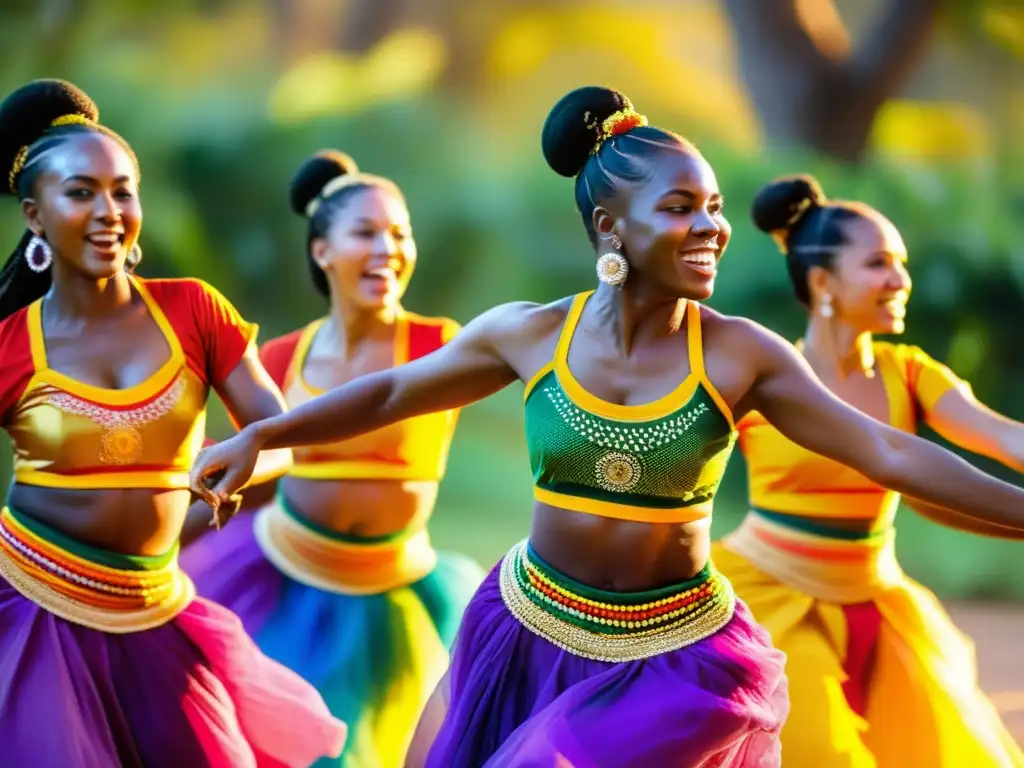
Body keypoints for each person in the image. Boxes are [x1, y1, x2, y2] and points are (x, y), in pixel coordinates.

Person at [190, 86, 1024, 768]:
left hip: (674, 657)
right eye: (681, 207)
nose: (712, 228)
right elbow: (387, 394)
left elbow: (885, 448)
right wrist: (262, 435)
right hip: (527, 626)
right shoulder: (529, 333)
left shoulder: (741, 356)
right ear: (609, 229)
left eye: (715, 207)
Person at [0, 79, 346, 766]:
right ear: (35, 217)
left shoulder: (192, 310)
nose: (108, 211)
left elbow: (279, 442)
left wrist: (233, 469)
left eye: (122, 190)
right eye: (81, 193)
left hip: (156, 614)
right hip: (33, 613)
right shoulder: (12, 341)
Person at [180, 150, 483, 767]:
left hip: (399, 594)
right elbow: (246, 472)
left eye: (400, 233)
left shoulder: (438, 347)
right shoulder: (285, 358)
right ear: (322, 251)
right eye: (366, 232)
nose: (388, 249)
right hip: (285, 580)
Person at [711, 174, 1024, 767]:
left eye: (901, 263)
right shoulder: (768, 378)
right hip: (771, 596)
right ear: (824, 281)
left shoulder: (908, 373)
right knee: (817, 753)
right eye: (880, 263)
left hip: (880, 601)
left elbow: (1005, 436)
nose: (901, 280)